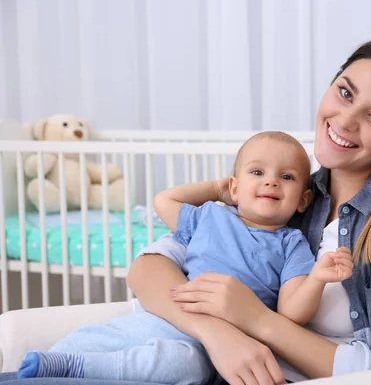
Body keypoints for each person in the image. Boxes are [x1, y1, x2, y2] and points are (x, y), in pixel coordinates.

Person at [126, 36, 371, 385]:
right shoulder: (289, 195)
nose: (345, 121)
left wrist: (258, 321)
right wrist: (217, 334)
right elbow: (148, 267)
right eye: (345, 93)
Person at [16, 131, 354, 384]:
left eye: (287, 177)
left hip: (214, 350)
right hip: (170, 316)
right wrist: (217, 189)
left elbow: (291, 312)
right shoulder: (210, 216)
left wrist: (317, 279)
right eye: (257, 172)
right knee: (98, 337)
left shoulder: (291, 243)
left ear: (303, 200)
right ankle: (52, 363)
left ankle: (80, 368)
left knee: (186, 367)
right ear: (235, 188)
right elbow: (164, 202)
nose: (271, 182)